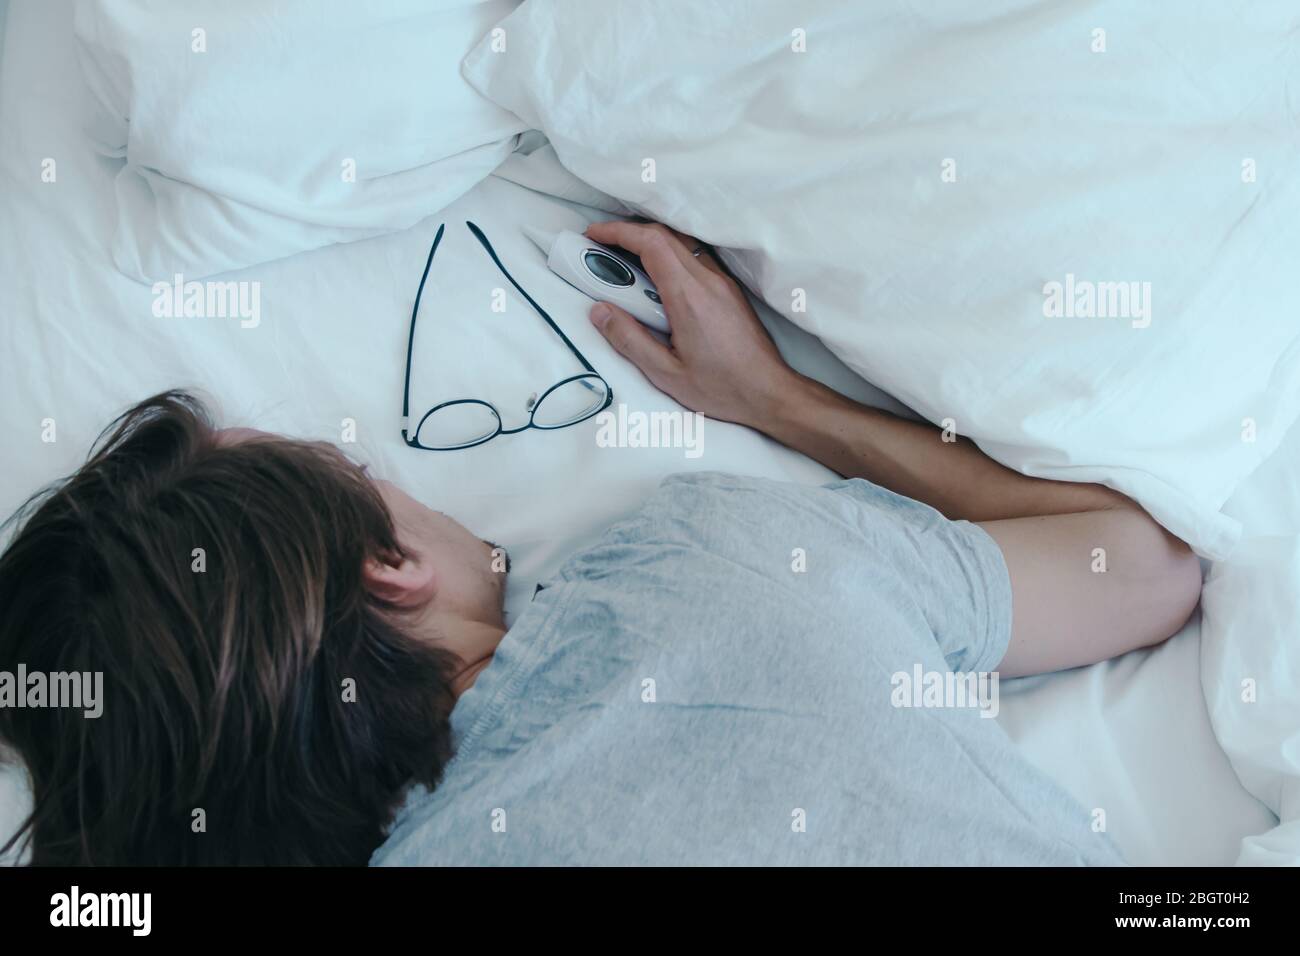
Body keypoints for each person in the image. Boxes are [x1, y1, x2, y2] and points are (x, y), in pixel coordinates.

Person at [0, 221, 1199, 866]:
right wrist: (784, 405)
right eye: (366, 474)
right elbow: (1144, 567)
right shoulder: (705, 570)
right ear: (389, 568)